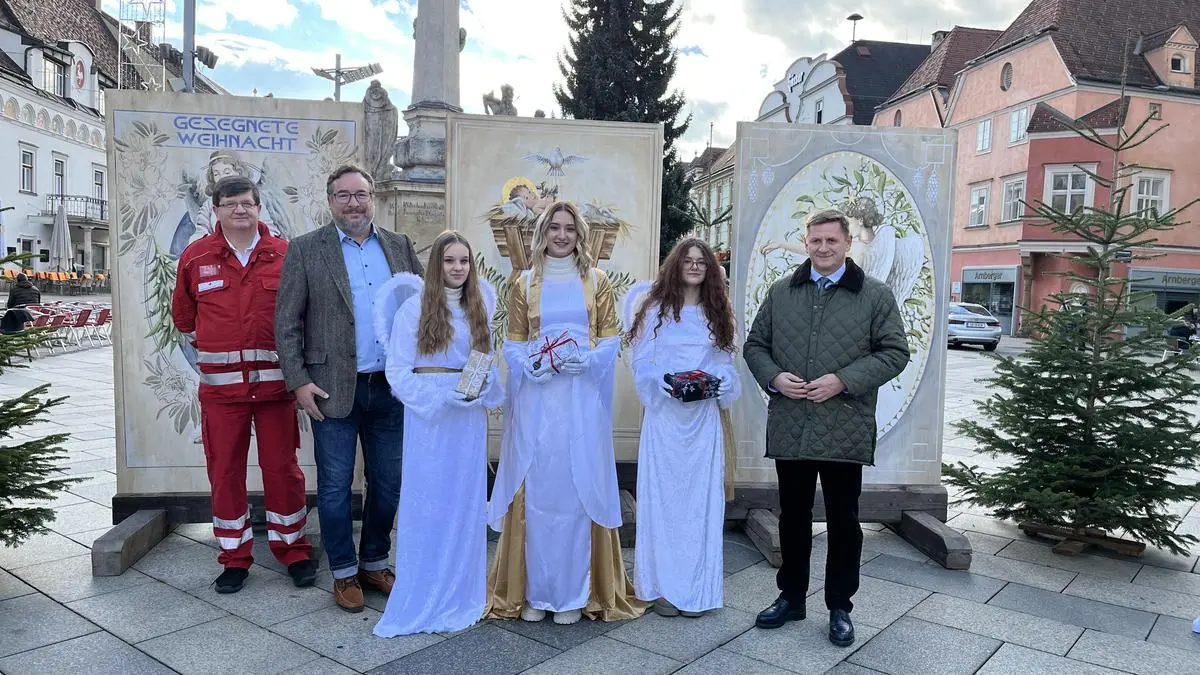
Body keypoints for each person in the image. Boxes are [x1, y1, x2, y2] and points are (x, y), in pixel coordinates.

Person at [743, 208, 910, 647]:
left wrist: (843, 380)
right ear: (806, 243)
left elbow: (894, 352)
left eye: (831, 241)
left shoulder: (875, 296)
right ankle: (791, 597)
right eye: (815, 241)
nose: (822, 248)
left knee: (844, 521)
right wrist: (774, 377)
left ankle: (840, 606)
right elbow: (755, 345)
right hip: (792, 424)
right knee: (793, 517)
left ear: (847, 244)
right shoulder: (782, 293)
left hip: (844, 425)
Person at [486, 200, 645, 625]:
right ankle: (535, 592)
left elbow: (611, 338)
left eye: (569, 229)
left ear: (580, 235)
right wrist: (529, 368)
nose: (561, 235)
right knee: (537, 487)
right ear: (543, 233)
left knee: (577, 486)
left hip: (580, 400)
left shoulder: (597, 280)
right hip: (539, 402)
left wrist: (589, 361)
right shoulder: (523, 283)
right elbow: (514, 342)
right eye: (554, 228)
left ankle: (575, 593)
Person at [275, 164, 424, 613]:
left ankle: (375, 561)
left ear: (373, 197)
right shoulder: (305, 250)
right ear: (330, 200)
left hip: (391, 389)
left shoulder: (399, 246)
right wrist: (299, 382)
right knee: (337, 486)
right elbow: (286, 323)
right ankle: (343, 571)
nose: (353, 203)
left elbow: (424, 310)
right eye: (343, 195)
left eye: (360, 194)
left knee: (390, 483)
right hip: (330, 389)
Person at [170, 175, 315, 593]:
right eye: (230, 203)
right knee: (225, 472)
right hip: (222, 395)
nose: (240, 210)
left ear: (258, 208)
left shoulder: (285, 255)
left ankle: (294, 549)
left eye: (247, 203)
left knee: (283, 471)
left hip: (275, 391)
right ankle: (235, 556)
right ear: (215, 210)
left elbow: (303, 318)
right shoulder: (196, 258)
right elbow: (184, 317)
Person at [372, 231, 503, 636]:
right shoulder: (413, 310)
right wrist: (438, 399)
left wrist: (481, 391)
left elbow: (487, 365)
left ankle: (462, 589)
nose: (458, 268)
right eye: (450, 261)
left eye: (464, 261)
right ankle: (425, 588)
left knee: (464, 502)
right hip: (429, 420)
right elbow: (397, 371)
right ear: (436, 266)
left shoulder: (478, 309)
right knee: (428, 500)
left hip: (466, 421)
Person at [625, 237, 742, 618]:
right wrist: (655, 379)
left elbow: (725, 361)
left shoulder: (718, 311)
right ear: (675, 265)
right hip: (664, 421)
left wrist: (722, 379)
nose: (694, 266)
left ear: (710, 269)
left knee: (699, 504)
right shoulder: (654, 309)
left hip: (702, 422)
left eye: (701, 262)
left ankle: (695, 589)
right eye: (687, 260)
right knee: (663, 502)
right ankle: (661, 587)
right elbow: (640, 361)